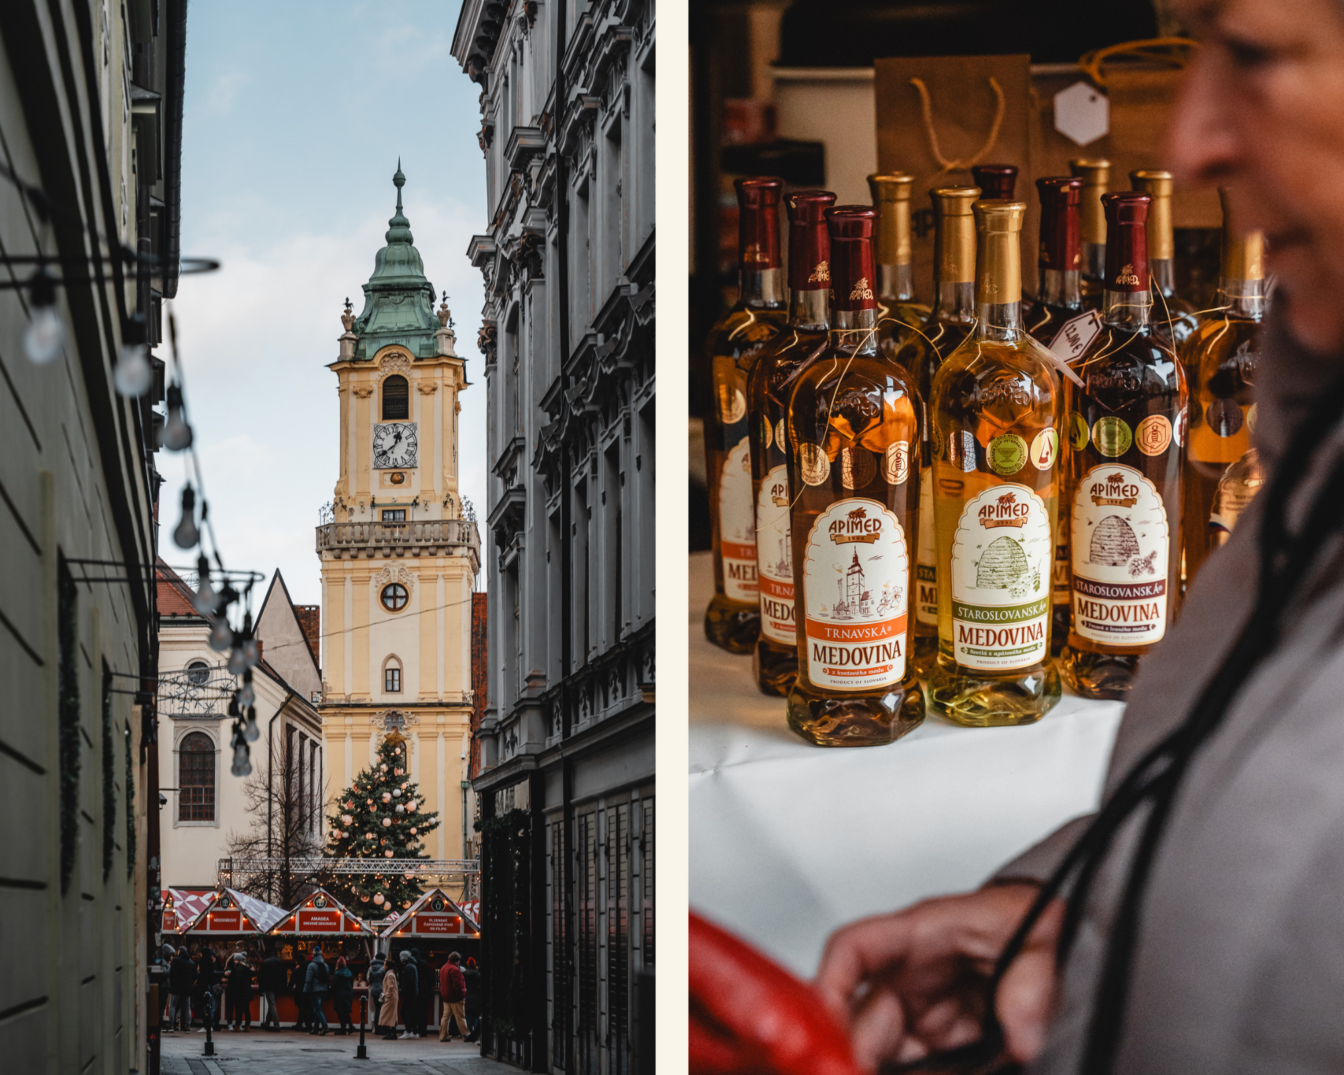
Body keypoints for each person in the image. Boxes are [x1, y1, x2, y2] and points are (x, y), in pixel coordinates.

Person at [790, 7, 1344, 1074]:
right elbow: (1236, 773)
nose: (1187, 142)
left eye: (1256, 53)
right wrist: (1066, 910)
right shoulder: (1315, 454)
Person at [439, 952, 468, 1042]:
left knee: (445, 1017)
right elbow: (458, 985)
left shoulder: (443, 967)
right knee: (461, 1017)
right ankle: (466, 1035)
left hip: (446, 997)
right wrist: (462, 997)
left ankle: (443, 1036)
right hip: (455, 998)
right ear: (457, 961)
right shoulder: (455, 969)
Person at [167, 947, 196, 1033]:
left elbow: (171, 974)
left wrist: (172, 986)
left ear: (179, 952)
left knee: (172, 1006)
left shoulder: (176, 961)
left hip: (176, 987)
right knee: (187, 1008)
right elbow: (194, 976)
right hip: (187, 989)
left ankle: (171, 1025)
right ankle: (187, 1026)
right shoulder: (191, 963)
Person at [257, 946, 285, 1031]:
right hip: (277, 987)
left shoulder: (265, 962)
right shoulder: (280, 962)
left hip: (268, 987)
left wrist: (261, 989)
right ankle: (267, 1023)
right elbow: (284, 977)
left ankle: (276, 1025)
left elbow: (261, 978)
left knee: (272, 1005)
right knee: (271, 1004)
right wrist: (283, 987)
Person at [223, 949, 253, 1031]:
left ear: (238, 960)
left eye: (235, 960)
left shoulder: (239, 968)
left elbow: (238, 980)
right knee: (246, 1009)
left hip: (240, 992)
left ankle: (237, 1026)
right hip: (247, 991)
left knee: (239, 1009)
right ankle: (247, 1026)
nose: (234, 961)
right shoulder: (248, 967)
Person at [304, 946, 331, 1035]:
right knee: (318, 1009)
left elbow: (308, 980)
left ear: (313, 955)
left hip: (314, 991)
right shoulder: (326, 966)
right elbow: (328, 979)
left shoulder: (311, 965)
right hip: (323, 991)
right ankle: (315, 1029)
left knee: (317, 1010)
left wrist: (305, 990)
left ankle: (325, 1026)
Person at [397, 950, 420, 1039]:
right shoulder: (411, 965)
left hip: (410, 994)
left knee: (404, 1012)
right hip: (413, 993)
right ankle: (414, 1031)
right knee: (411, 1012)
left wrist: (404, 991)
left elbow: (409, 982)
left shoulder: (408, 967)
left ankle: (409, 1030)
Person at [332, 956, 355, 1035]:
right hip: (348, 993)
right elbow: (352, 984)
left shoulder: (337, 973)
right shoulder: (350, 972)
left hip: (340, 994)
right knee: (345, 1011)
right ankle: (350, 1026)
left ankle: (343, 1029)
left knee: (341, 1012)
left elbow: (334, 985)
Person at [379, 958, 401, 1041]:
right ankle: (391, 1033)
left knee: (387, 1014)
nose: (383, 966)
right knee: (391, 1015)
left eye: (384, 964)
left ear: (387, 966)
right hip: (392, 997)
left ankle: (391, 1033)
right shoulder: (390, 973)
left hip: (390, 998)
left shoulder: (390, 975)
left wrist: (387, 996)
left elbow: (390, 987)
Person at [462, 956, 481, 1043]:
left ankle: (469, 1033)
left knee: (468, 1016)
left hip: (467, 996)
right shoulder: (478, 974)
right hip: (477, 996)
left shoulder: (464, 974)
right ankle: (476, 1034)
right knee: (477, 1016)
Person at [413, 948, 432, 1038]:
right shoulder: (424, 963)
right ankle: (423, 1031)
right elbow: (429, 977)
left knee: (414, 1011)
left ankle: (415, 1030)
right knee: (423, 1011)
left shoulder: (411, 963)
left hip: (414, 990)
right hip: (423, 990)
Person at [290, 951, 310, 1031]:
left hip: (299, 992)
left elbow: (291, 983)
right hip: (307, 991)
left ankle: (307, 1026)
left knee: (302, 1009)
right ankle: (299, 1025)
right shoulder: (308, 970)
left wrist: (286, 990)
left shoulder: (296, 971)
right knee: (303, 1008)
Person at [368, 952, 386, 1036]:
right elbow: (384, 981)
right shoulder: (383, 968)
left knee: (376, 1010)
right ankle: (382, 1029)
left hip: (374, 990)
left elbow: (370, 981)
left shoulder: (371, 968)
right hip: (381, 990)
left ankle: (376, 1029)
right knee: (381, 1009)